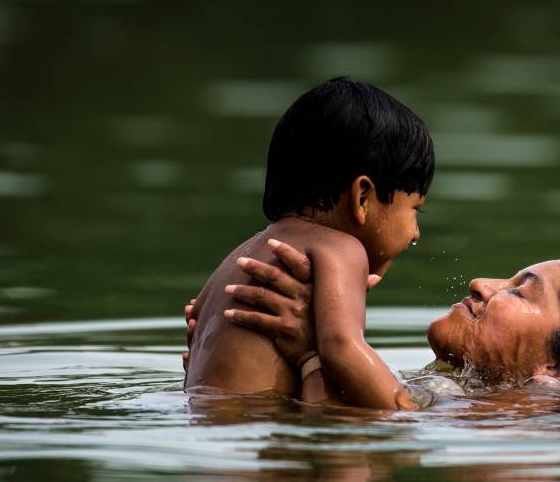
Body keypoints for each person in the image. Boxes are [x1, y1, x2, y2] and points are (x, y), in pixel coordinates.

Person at [184, 77, 434, 410]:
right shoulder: (342, 249)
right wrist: (404, 407)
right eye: (415, 209)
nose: (415, 232)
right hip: (261, 433)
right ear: (362, 197)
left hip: (205, 431)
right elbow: (341, 347)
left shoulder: (238, 257)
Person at [188, 244, 560, 410]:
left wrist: (312, 354)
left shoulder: (523, 425)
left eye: (519, 291)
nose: (480, 283)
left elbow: (344, 443)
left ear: (559, 368)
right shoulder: (467, 397)